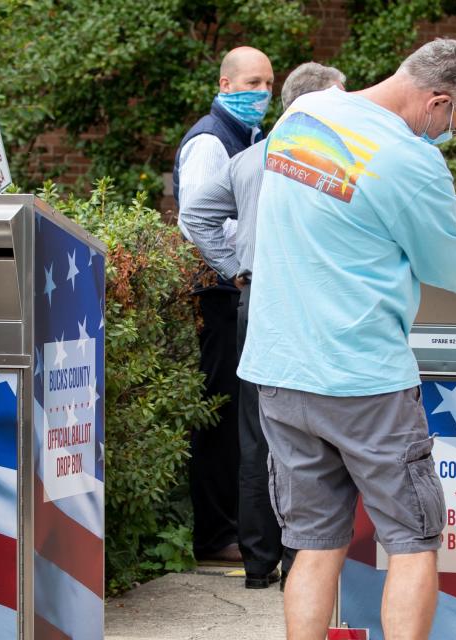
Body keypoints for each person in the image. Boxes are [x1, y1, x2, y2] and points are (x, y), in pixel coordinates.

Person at [237, 39, 456, 640]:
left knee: (311, 544)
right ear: (437, 101)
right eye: (455, 123)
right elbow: (454, 271)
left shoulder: (302, 115)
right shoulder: (410, 159)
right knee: (412, 541)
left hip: (280, 370)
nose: (449, 136)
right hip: (364, 379)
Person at [179, 61, 345, 589]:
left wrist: (238, 269)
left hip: (257, 302)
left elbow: (194, 216)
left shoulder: (250, 159)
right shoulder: (335, 163)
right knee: (310, 432)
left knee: (256, 432)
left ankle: (257, 564)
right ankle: (302, 558)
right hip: (309, 301)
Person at [173, 46, 274, 564]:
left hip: (230, 290)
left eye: (268, 85)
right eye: (252, 83)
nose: (262, 94)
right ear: (225, 83)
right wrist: (237, 272)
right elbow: (197, 220)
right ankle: (215, 534)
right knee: (220, 414)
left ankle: (231, 527)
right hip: (219, 295)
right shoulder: (212, 141)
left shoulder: (248, 137)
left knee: (238, 412)